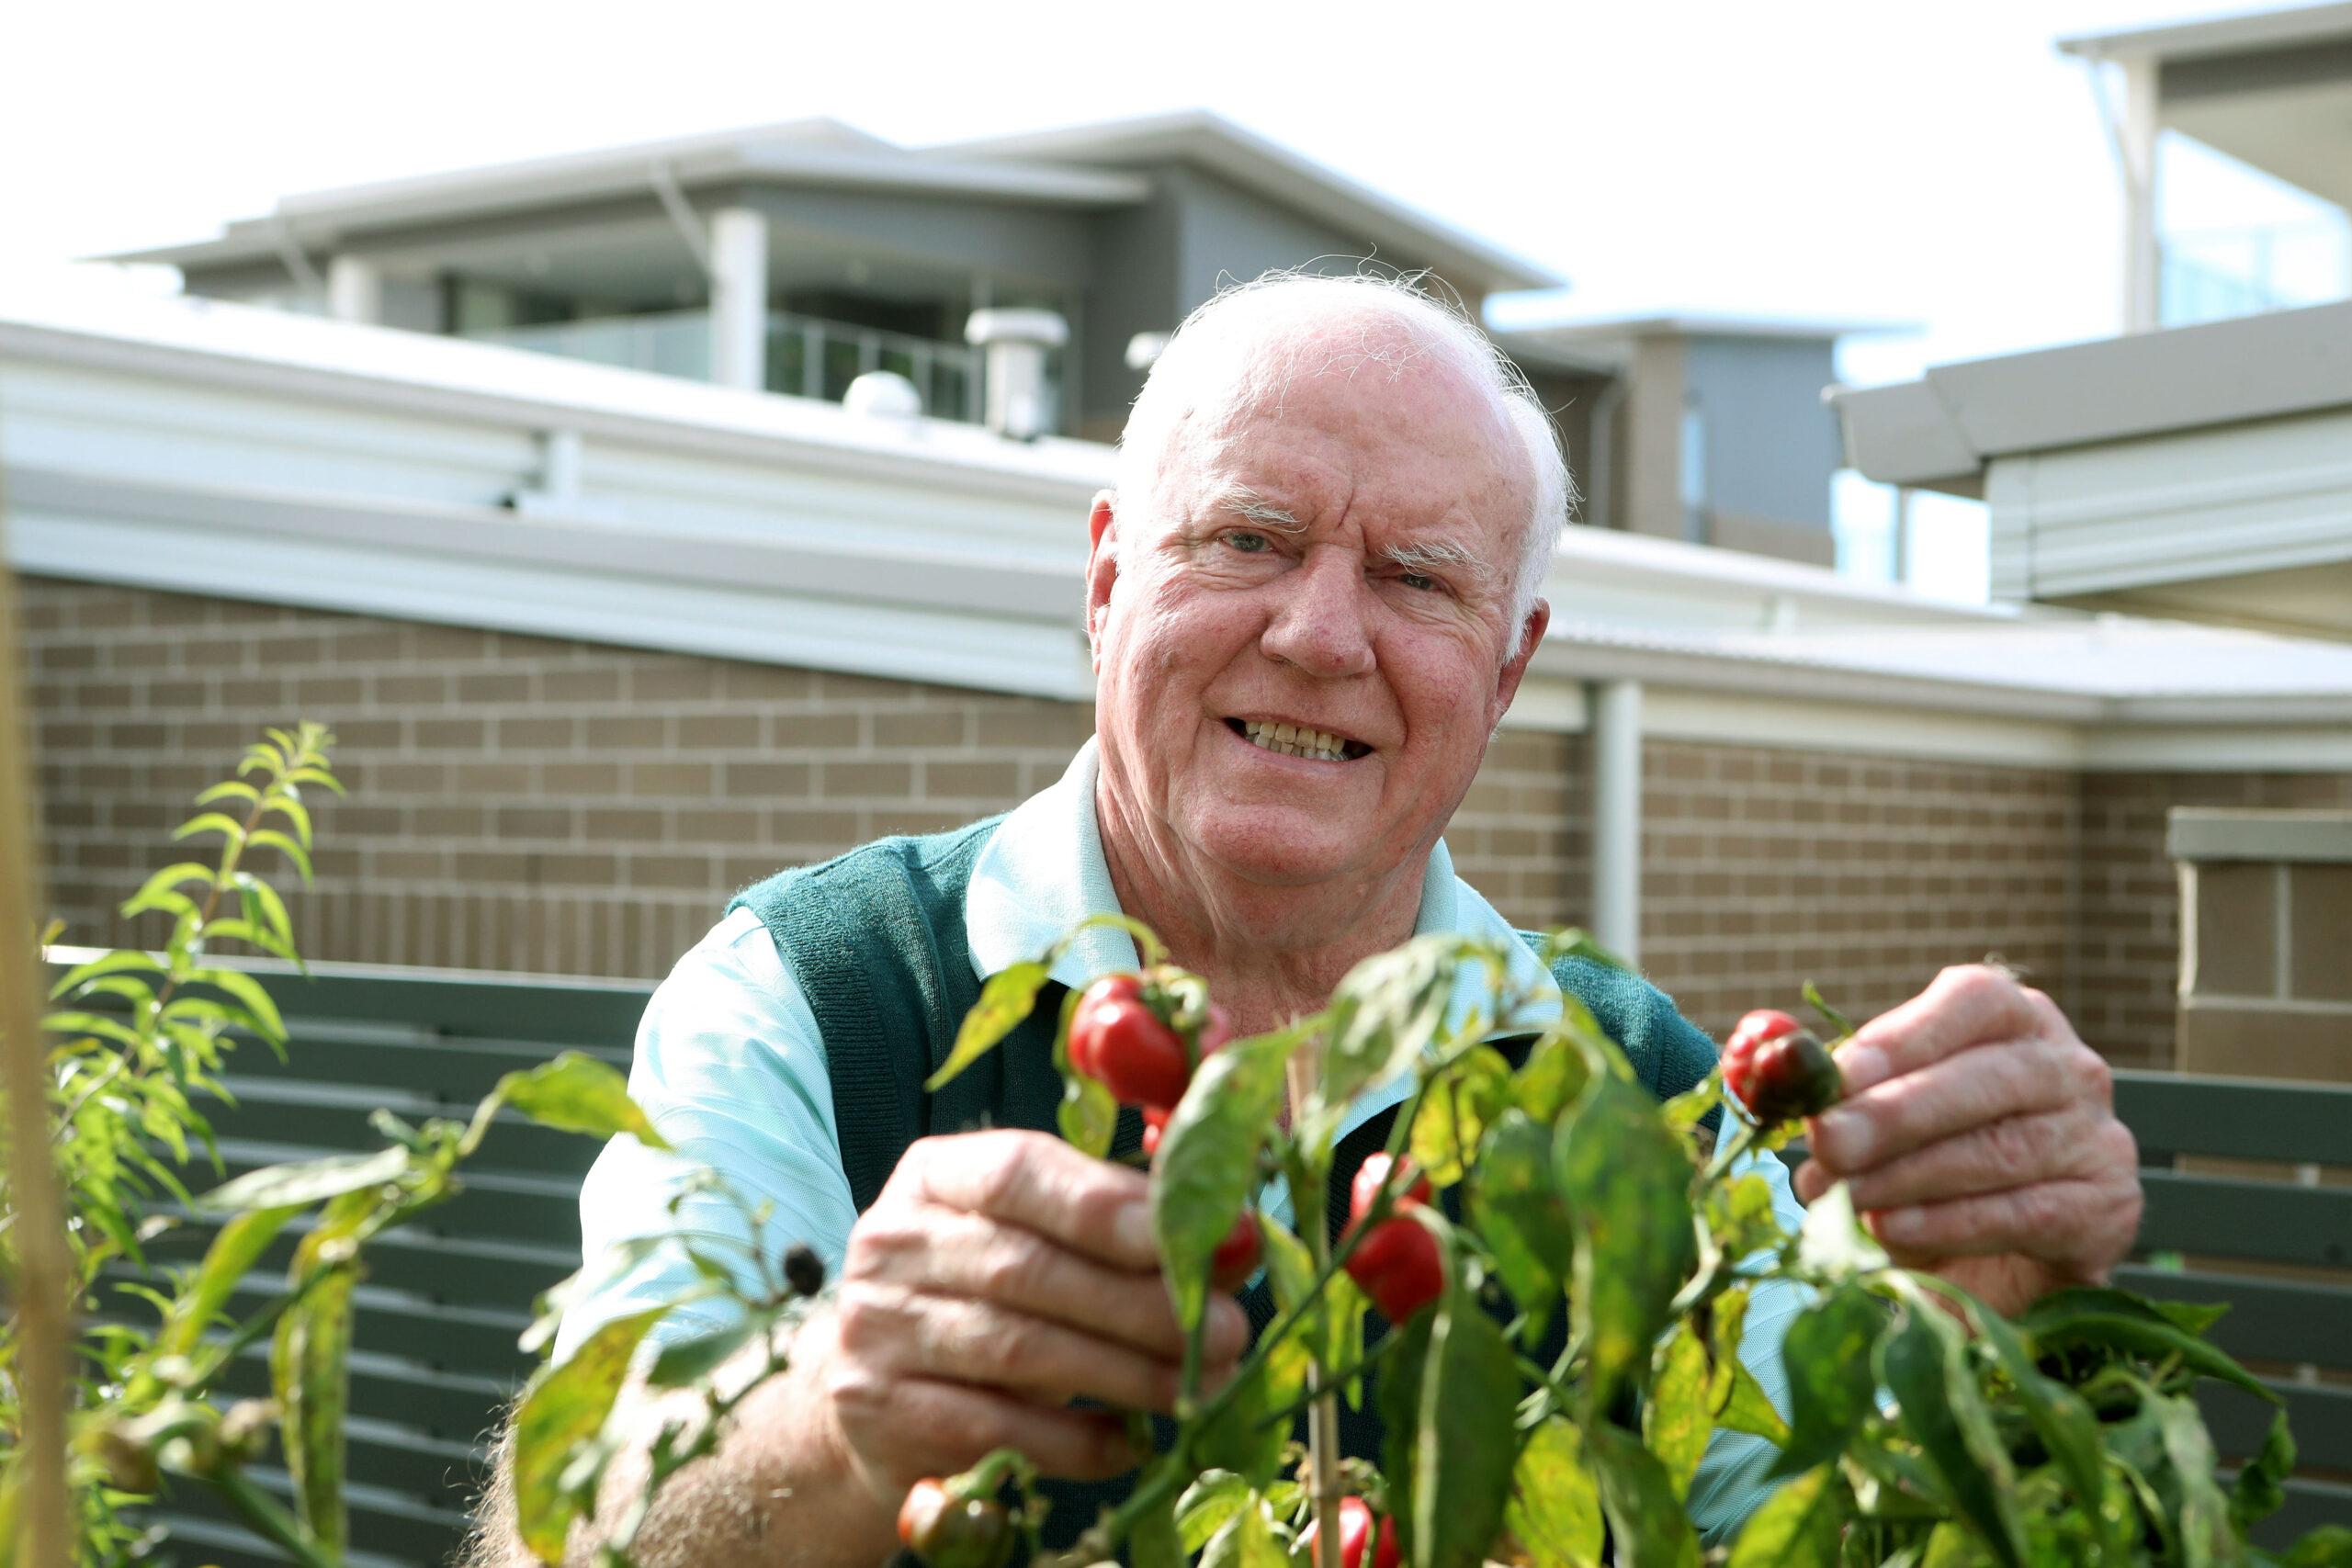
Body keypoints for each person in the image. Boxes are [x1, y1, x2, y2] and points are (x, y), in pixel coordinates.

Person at [466, 274, 2142, 1568]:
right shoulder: (821, 1000)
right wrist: (830, 1418)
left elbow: (1808, 1512)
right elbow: (564, 1535)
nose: (1321, 635)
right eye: (1248, 540)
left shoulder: (1641, 1094)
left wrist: (1978, 1340)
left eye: (1419, 578)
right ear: (1110, 576)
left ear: (1509, 666)